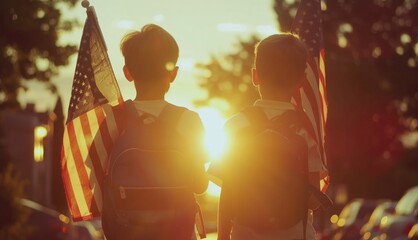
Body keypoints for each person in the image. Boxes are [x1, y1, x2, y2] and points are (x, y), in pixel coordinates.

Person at [212, 33, 328, 240]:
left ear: (255, 76)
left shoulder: (236, 125)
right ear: (302, 81)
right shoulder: (306, 130)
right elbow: (313, 201)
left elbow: (228, 192)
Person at [102, 24, 208, 240]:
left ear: (127, 73)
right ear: (173, 74)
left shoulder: (113, 119)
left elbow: (98, 180)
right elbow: (200, 184)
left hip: (125, 232)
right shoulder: (189, 121)